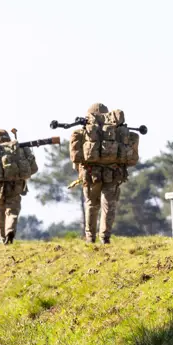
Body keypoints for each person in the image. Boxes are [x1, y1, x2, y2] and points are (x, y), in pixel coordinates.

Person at [69, 103, 139, 244]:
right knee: (109, 205)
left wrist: (81, 172)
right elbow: (132, 159)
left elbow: (75, 158)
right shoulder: (117, 130)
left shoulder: (81, 132)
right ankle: (105, 237)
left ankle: (90, 237)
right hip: (114, 173)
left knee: (91, 204)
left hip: (90, 174)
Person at [0, 129, 39, 244]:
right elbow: (34, 169)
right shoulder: (18, 149)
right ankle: (10, 231)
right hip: (15, 186)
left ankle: (2, 238)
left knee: (0, 212)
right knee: (12, 211)